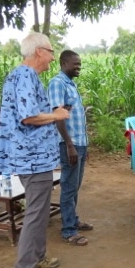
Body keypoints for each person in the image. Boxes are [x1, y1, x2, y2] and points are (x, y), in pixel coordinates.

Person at [0, 32, 70, 268]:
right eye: (50, 51)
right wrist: (56, 115)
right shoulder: (25, 76)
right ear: (39, 51)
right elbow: (28, 117)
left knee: (38, 209)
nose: (52, 56)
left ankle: (37, 257)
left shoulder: (23, 76)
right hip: (32, 158)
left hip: (33, 157)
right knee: (36, 213)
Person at [48, 50, 92, 247]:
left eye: (79, 63)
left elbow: (76, 117)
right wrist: (69, 145)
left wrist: (84, 145)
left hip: (79, 143)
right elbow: (58, 116)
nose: (78, 67)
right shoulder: (57, 83)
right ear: (64, 63)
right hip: (70, 144)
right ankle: (69, 230)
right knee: (68, 186)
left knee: (75, 185)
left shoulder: (70, 83)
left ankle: (73, 220)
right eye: (75, 64)